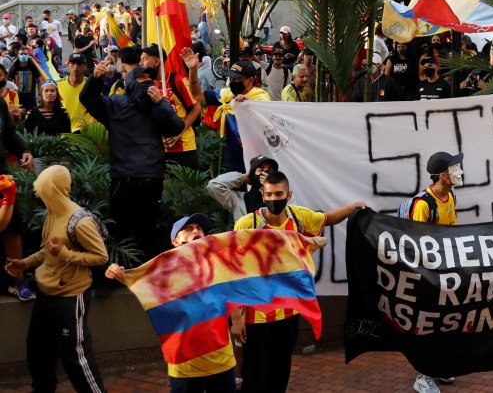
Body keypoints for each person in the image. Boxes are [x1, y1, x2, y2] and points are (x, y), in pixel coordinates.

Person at [233, 171, 364, 393]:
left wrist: (352, 207)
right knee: (255, 373)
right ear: (262, 196)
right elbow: (234, 271)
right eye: (269, 195)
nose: (274, 199)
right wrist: (236, 318)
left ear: (288, 195)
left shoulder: (299, 217)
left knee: (280, 369)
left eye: (278, 194)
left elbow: (327, 219)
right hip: (256, 315)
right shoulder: (247, 224)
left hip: (289, 312)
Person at [106, 213, 239, 393]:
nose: (196, 231)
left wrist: (237, 320)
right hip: (185, 364)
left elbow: (233, 291)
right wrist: (117, 272)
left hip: (222, 359)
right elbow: (140, 281)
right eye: (188, 229)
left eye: (199, 228)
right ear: (175, 242)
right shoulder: (164, 272)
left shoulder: (218, 264)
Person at [5, 165, 108, 392]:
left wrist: (64, 253)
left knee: (76, 358)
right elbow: (48, 250)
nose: (37, 192)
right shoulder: (52, 212)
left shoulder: (80, 222)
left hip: (70, 296)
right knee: (38, 350)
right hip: (46, 293)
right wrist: (25, 263)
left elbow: (101, 257)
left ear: (53, 189)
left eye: (41, 188)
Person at [80, 61, 185, 261]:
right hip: (123, 179)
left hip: (151, 179)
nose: (147, 81)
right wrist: (95, 78)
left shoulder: (157, 105)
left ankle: (147, 271)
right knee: (119, 232)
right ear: (129, 82)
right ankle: (118, 271)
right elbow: (88, 99)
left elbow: (175, 128)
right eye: (141, 77)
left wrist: (161, 103)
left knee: (147, 231)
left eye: (150, 78)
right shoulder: (115, 104)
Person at [406, 152, 464, 393]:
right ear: (443, 176)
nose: (460, 172)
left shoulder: (451, 196)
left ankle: (438, 366)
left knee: (445, 322)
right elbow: (417, 244)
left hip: (446, 272)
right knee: (428, 325)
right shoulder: (423, 204)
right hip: (428, 275)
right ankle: (422, 376)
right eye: (454, 169)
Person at [195, 58, 271, 173]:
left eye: (238, 78)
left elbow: (265, 118)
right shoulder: (227, 94)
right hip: (233, 162)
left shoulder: (262, 98)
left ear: (250, 80)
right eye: (232, 78)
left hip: (257, 162)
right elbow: (197, 95)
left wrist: (249, 104)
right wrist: (192, 70)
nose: (233, 82)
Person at [143, 44, 204, 171]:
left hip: (184, 147)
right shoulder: (147, 85)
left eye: (144, 59)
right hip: (158, 149)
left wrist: (179, 131)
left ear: (157, 61)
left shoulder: (178, 80)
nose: (141, 63)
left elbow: (196, 108)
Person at [0, 96, 32, 302]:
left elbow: (9, 133)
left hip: (1, 176)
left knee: (12, 226)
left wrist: (23, 150)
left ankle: (17, 278)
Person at [58, 53, 94, 132]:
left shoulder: (91, 85)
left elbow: (99, 108)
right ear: (68, 65)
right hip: (64, 132)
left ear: (85, 66)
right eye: (73, 63)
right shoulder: (58, 85)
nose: (75, 66)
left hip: (86, 132)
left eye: (79, 64)